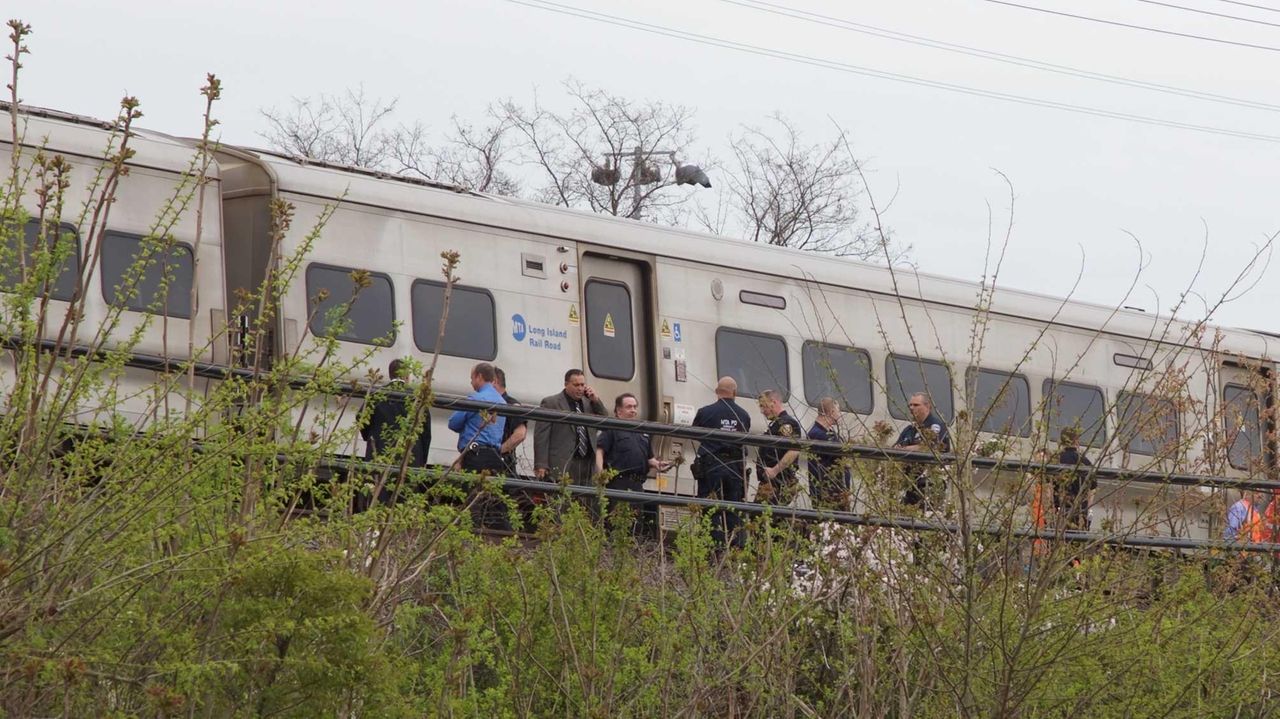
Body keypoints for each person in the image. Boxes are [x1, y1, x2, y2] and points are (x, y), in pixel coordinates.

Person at [692, 377, 751, 544]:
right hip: (735, 468)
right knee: (734, 509)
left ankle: (713, 548)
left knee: (710, 509)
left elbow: (694, 434)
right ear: (735, 393)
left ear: (717, 392)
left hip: (712, 466)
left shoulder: (705, 412)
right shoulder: (744, 415)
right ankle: (734, 549)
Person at [534, 369, 607, 485]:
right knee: (564, 500)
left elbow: (605, 422)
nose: (580, 388)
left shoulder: (589, 403)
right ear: (566, 384)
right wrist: (541, 464)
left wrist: (596, 400)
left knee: (586, 501)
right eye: (576, 385)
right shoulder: (551, 402)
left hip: (587, 463)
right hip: (564, 462)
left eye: (582, 385)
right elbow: (541, 436)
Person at [359, 358, 430, 467]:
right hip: (410, 456)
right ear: (406, 375)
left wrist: (370, 435)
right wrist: (423, 458)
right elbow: (425, 431)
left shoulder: (377, 395)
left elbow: (361, 417)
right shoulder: (417, 398)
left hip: (380, 452)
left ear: (390, 374)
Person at [595, 393, 668, 492]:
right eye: (629, 407)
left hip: (637, 485)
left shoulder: (642, 431)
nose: (633, 410)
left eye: (635, 407)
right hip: (617, 483)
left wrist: (657, 464)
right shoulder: (612, 428)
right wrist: (600, 473)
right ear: (619, 411)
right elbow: (599, 451)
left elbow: (650, 459)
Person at [893, 392, 951, 509]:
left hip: (930, 483)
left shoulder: (936, 426)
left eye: (916, 405)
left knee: (927, 517)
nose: (911, 408)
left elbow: (929, 448)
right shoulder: (910, 429)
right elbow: (895, 449)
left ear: (927, 406)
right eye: (910, 405)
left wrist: (907, 449)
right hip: (909, 483)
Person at [447, 362, 506, 473]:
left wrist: (465, 426)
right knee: (490, 489)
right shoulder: (502, 402)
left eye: (472, 378)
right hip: (495, 457)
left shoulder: (475, 398)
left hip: (475, 456)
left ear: (479, 376)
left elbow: (453, 423)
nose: (471, 382)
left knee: (471, 488)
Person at [756, 389, 801, 505]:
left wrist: (775, 470)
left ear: (774, 402)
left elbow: (794, 450)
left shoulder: (786, 424)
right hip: (770, 480)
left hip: (780, 480)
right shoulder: (775, 424)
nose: (762, 411)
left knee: (759, 517)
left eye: (763, 406)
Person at [807, 397, 848, 510]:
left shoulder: (829, 432)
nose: (840, 414)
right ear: (832, 412)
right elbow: (840, 452)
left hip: (836, 490)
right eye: (838, 411)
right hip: (826, 492)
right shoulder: (817, 434)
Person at [1051, 427, 1095, 531]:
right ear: (1076, 440)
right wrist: (1088, 509)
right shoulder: (1085, 462)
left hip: (1060, 510)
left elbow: (1049, 487)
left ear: (1061, 441)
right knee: (1078, 542)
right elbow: (1092, 488)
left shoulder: (1055, 460)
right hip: (1080, 510)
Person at [494, 367, 527, 476]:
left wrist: (499, 451)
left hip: (502, 465)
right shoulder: (489, 401)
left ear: (494, 381)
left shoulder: (511, 404)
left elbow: (520, 434)